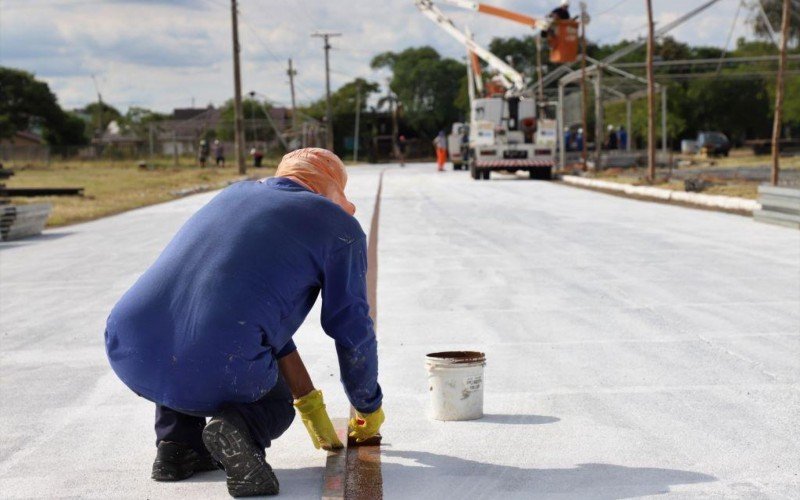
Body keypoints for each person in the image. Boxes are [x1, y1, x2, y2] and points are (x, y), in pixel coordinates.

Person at [105, 148, 384, 498]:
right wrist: (367, 403)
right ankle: (238, 430)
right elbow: (351, 327)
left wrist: (313, 405)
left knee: (191, 338)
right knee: (272, 402)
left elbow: (259, 324)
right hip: (214, 352)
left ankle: (177, 446)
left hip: (130, 345)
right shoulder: (339, 228)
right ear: (332, 190)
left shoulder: (235, 194)